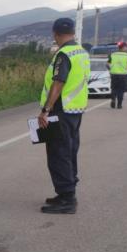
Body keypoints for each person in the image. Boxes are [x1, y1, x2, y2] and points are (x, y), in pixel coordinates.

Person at [37, 18, 90, 215]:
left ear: (55, 34)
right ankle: (66, 192)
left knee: (58, 154)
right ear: (73, 32)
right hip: (75, 111)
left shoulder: (63, 54)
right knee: (69, 151)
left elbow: (58, 83)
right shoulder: (82, 52)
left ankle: (67, 198)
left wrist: (46, 110)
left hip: (61, 111)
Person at [108, 41, 127, 109]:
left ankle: (113, 99)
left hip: (114, 74)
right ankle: (119, 104)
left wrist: (111, 69)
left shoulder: (113, 54)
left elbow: (107, 64)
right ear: (123, 47)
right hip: (123, 75)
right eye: (126, 47)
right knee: (121, 90)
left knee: (114, 89)